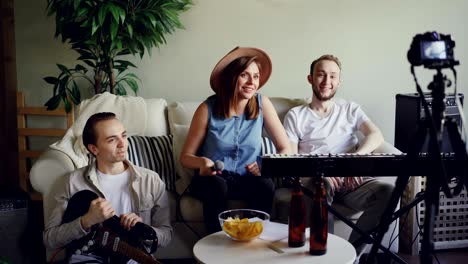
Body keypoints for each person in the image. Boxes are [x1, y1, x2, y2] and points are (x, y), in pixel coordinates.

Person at [283, 54, 394, 255]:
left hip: (352, 179)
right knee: (320, 188)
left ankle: (352, 255)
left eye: (333, 76)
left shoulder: (350, 109)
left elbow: (376, 135)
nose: (327, 81)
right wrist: (321, 174)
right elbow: (291, 158)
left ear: (339, 81)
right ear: (310, 79)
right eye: (321, 75)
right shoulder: (296, 115)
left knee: (388, 191)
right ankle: (324, 255)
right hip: (318, 180)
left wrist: (356, 158)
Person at [180, 47, 291, 234]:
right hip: (213, 179)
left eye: (255, 77)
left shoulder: (263, 104)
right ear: (231, 77)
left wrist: (265, 164)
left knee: (265, 185)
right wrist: (202, 162)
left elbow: (285, 148)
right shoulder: (207, 108)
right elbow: (185, 157)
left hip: (246, 179)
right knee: (218, 186)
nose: (251, 82)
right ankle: (216, 247)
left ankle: (253, 240)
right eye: (244, 75)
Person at [43, 112, 173, 263]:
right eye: (112, 140)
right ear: (94, 149)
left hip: (131, 256)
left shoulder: (151, 180)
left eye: (124, 136)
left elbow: (166, 235)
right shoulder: (72, 182)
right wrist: (86, 221)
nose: (122, 144)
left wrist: (144, 230)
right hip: (87, 256)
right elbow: (50, 240)